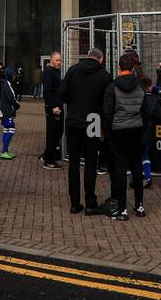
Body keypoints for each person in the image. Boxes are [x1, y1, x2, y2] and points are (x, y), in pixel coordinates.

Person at [59, 48, 113, 216]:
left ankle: (75, 203)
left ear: (87, 56)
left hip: (74, 120)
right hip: (93, 121)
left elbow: (63, 95)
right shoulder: (105, 75)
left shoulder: (72, 71)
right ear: (101, 59)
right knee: (91, 162)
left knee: (74, 162)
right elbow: (107, 101)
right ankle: (90, 203)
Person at [100, 54, 147, 220]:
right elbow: (145, 111)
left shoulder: (112, 87)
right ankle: (139, 205)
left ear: (119, 67)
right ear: (133, 68)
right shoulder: (140, 87)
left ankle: (122, 209)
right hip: (136, 130)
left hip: (118, 131)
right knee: (136, 167)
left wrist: (108, 134)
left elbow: (107, 113)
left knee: (120, 168)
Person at [40, 50, 64, 169]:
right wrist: (53, 106)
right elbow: (47, 91)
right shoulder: (49, 72)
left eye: (60, 60)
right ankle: (49, 160)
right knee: (54, 132)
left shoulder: (55, 71)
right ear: (51, 60)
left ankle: (46, 155)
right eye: (57, 60)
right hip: (54, 107)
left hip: (57, 105)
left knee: (55, 132)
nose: (59, 62)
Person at [140, 74, 161, 188]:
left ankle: (137, 178)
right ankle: (147, 177)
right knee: (145, 154)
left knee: (137, 155)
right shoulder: (155, 99)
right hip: (148, 131)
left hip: (136, 129)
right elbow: (160, 117)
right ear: (149, 87)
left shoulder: (136, 97)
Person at [0, 64, 19, 160]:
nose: (14, 77)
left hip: (5, 111)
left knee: (6, 129)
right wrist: (17, 105)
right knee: (11, 128)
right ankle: (4, 151)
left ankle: (5, 151)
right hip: (7, 111)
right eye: (13, 75)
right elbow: (11, 98)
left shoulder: (5, 84)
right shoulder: (7, 85)